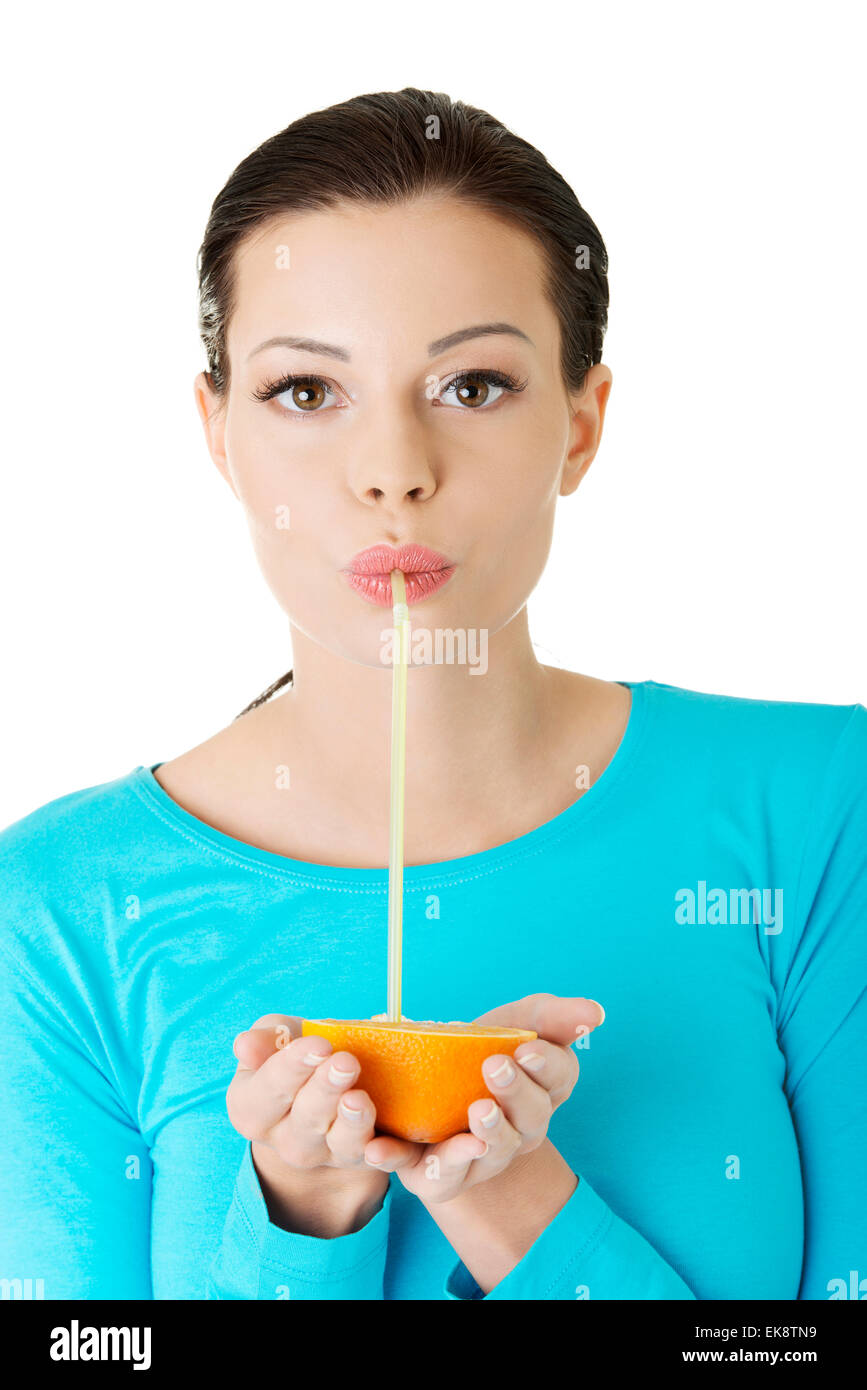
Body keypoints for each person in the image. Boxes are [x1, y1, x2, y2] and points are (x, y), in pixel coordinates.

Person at [1, 88, 864, 1302]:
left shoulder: (825, 813)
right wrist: (300, 1219)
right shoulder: (53, 910)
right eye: (307, 391)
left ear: (581, 422)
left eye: (473, 386)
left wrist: (508, 1200)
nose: (394, 473)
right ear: (219, 434)